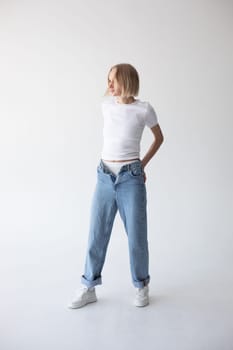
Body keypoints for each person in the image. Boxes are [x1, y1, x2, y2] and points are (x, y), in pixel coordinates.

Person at [68, 63, 164, 309]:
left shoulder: (144, 109)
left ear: (127, 81)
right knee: (96, 234)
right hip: (104, 176)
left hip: (130, 178)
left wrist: (141, 165)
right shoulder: (106, 106)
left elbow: (159, 137)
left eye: (114, 80)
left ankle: (141, 286)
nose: (109, 85)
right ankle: (88, 285)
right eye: (108, 80)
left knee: (137, 236)